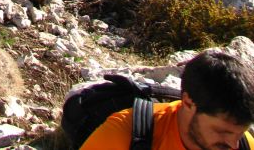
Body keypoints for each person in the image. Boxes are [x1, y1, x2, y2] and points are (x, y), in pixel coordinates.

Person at [79, 48, 254, 150]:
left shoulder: (245, 145)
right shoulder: (123, 135)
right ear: (188, 102)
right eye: (222, 132)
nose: (233, 145)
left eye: (240, 133)